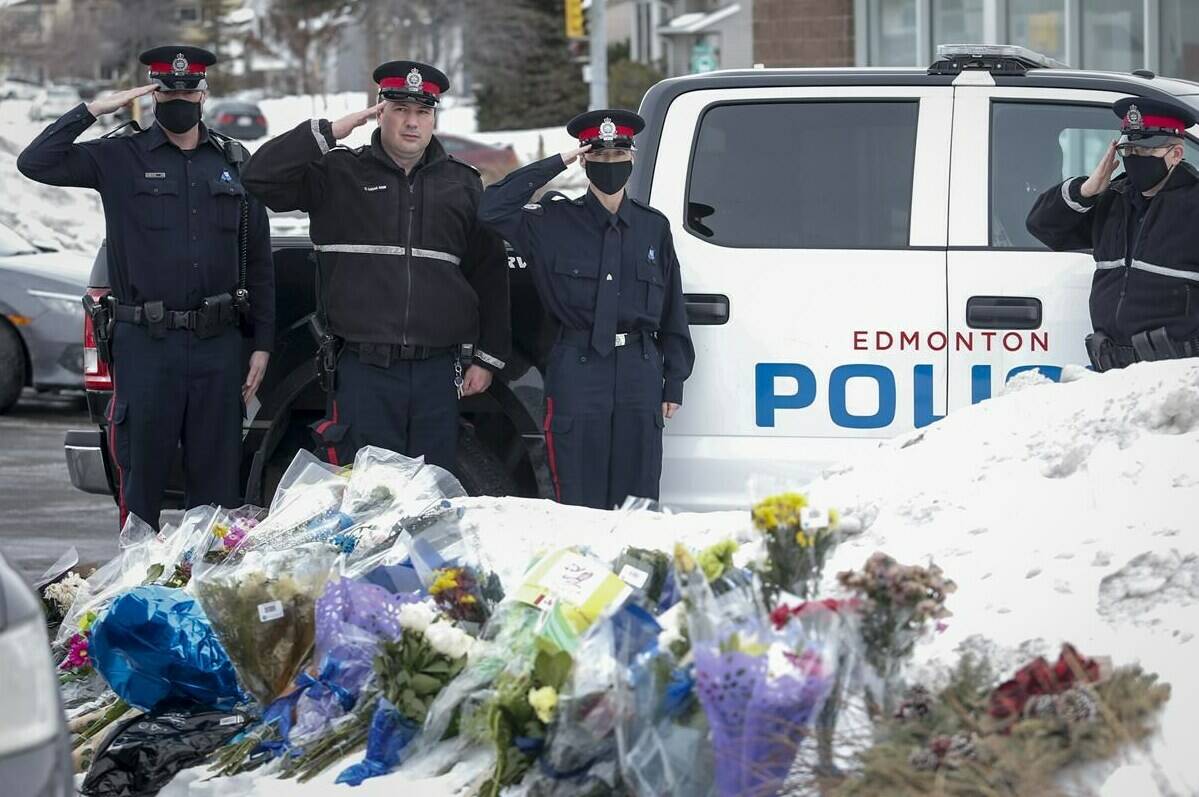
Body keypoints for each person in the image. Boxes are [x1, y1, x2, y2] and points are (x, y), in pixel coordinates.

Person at [17, 46, 275, 530]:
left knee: (216, 493)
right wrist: (94, 109)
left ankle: (204, 594)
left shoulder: (233, 163)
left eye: (187, 89)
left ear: (203, 93)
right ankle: (137, 591)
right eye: (167, 90)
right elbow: (36, 162)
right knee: (141, 489)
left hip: (218, 347)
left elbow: (258, 262)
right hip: (145, 346)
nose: (179, 98)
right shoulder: (118, 156)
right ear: (153, 94)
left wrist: (262, 344)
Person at [241, 60, 509, 471]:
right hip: (364, 372)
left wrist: (487, 358)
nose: (412, 123)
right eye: (400, 110)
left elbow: (489, 273)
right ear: (379, 111)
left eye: (422, 112)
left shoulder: (463, 184)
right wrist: (328, 133)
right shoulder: (338, 172)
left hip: (438, 373)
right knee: (370, 499)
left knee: (431, 496)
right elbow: (258, 177)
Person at [478, 109, 695, 509]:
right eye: (598, 157)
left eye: (617, 157)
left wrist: (674, 379)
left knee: (639, 498)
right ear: (586, 159)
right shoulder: (551, 222)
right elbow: (491, 208)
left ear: (631, 159)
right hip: (578, 369)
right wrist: (559, 162)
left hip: (638, 370)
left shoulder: (653, 227)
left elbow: (671, 308)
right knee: (578, 496)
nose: (608, 165)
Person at [1026, 97, 1199, 370]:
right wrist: (1087, 190)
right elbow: (1042, 226)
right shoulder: (1114, 199)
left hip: (1174, 376)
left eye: (1144, 151)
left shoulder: (1194, 205)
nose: (1134, 159)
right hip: (1111, 371)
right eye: (1128, 151)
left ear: (1175, 154)